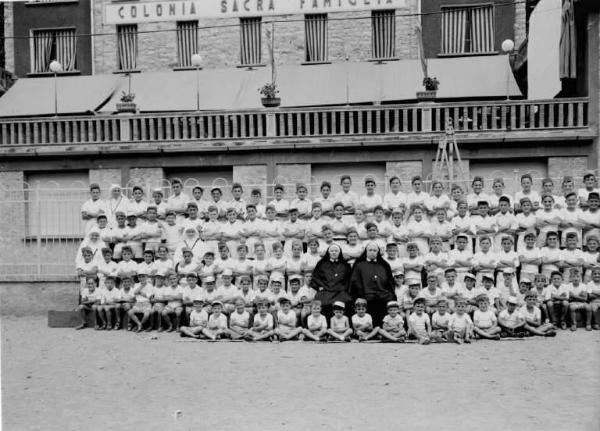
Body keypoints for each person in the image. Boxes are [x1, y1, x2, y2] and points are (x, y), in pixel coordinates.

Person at [310, 244, 352, 319]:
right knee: (324, 303)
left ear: (339, 253)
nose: (334, 253)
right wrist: (319, 287)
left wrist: (344, 288)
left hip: (340, 291)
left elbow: (349, 279)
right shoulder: (322, 264)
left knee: (348, 301)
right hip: (326, 290)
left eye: (336, 251)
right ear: (329, 253)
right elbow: (315, 277)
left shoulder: (345, 265)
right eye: (332, 251)